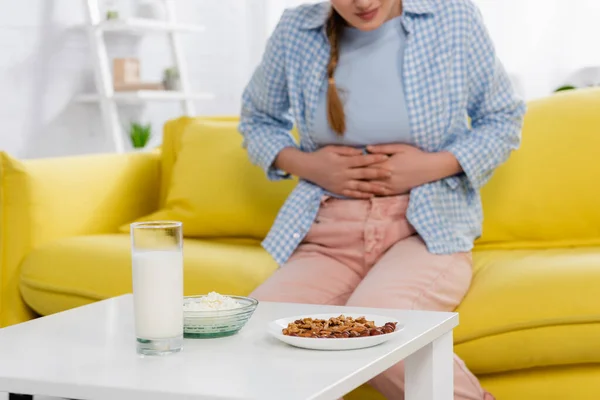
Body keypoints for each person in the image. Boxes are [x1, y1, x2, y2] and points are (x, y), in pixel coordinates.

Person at [238, 0, 525, 398]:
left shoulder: (453, 16)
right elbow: (258, 119)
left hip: (425, 230)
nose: (363, 3)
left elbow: (502, 120)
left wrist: (431, 166)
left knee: (385, 339)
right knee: (252, 340)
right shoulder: (296, 29)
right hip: (330, 233)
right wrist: (308, 166)